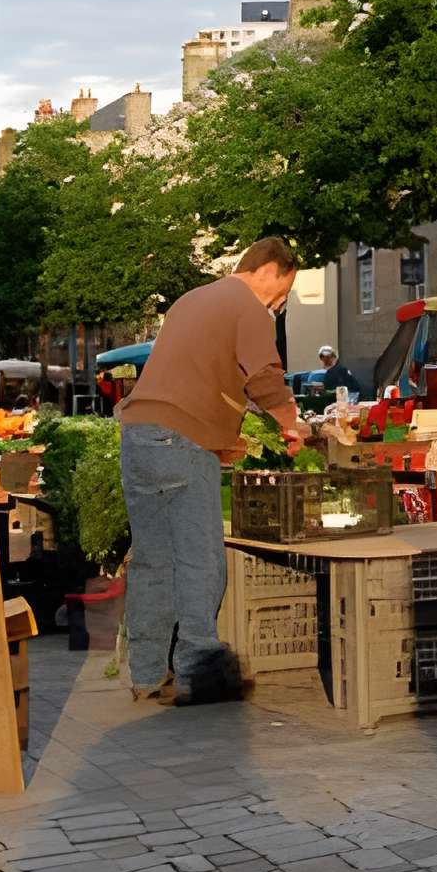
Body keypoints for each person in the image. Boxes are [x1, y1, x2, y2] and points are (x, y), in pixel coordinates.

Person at [119, 237, 303, 707]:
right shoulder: (247, 306)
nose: (281, 303)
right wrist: (291, 422)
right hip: (181, 441)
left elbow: (194, 376)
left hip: (138, 436)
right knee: (200, 557)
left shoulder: (192, 300)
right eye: (284, 290)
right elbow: (263, 374)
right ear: (269, 270)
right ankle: (199, 671)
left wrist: (221, 440)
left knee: (151, 560)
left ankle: (145, 675)